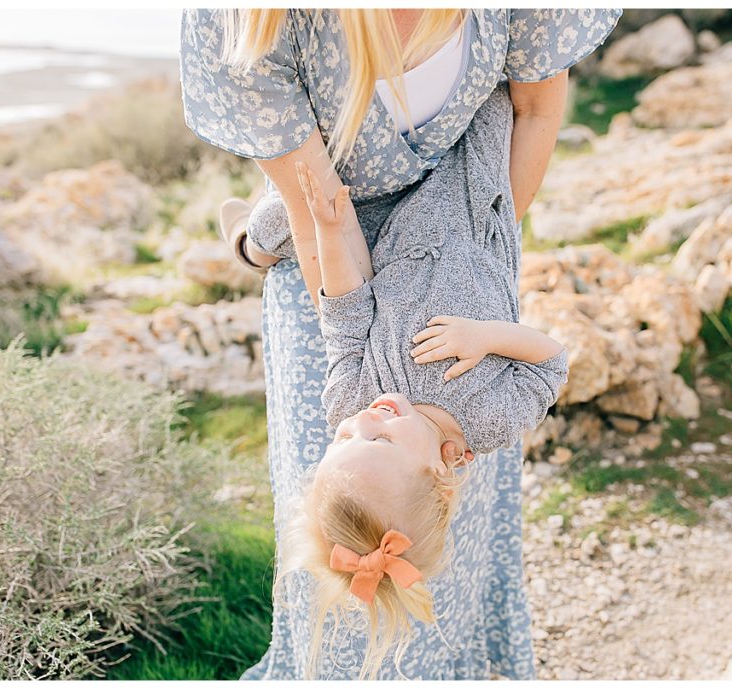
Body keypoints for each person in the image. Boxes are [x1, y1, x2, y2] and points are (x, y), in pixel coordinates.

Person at [180, 7, 622, 680]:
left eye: (345, 437)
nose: (360, 423)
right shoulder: (488, 418)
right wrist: (483, 311)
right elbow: (550, 360)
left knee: (315, 219)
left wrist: (337, 228)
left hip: (374, 236)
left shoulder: (355, 398)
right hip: (425, 216)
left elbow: (343, 298)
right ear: (447, 464)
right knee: (305, 205)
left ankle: (251, 238)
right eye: (376, 439)